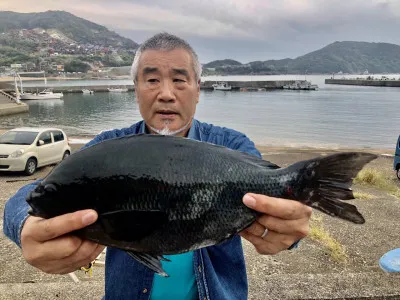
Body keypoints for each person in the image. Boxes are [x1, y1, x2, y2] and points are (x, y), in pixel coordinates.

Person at [3, 32, 312, 300]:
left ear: (197, 89)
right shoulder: (109, 147)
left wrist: (291, 232)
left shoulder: (231, 145)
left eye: (179, 80)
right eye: (152, 80)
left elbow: (277, 201)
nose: (166, 93)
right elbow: (30, 195)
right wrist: (24, 225)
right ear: (136, 88)